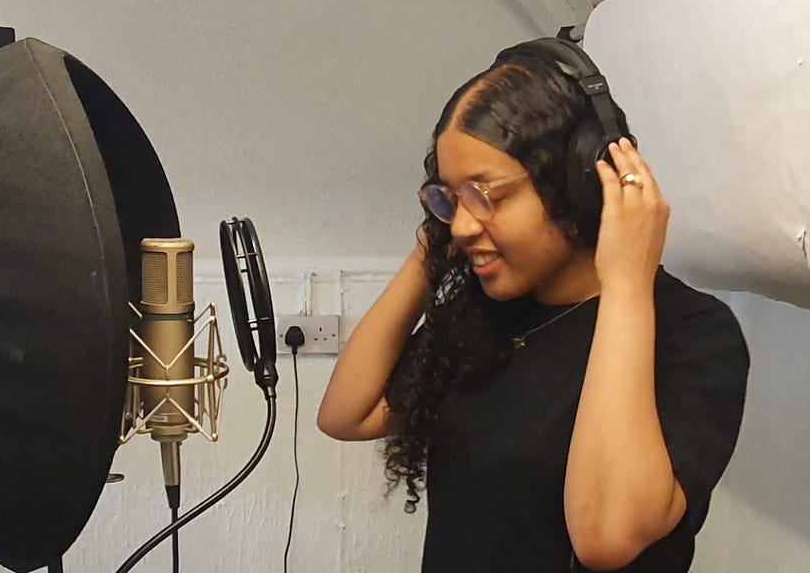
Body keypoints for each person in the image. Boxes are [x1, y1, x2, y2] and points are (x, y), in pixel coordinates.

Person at [317, 38, 749, 572]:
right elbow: (346, 414)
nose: (464, 223)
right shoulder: (484, 317)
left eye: (486, 196)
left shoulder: (696, 333)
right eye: (449, 197)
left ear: (578, 185)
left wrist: (626, 286)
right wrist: (433, 247)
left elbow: (606, 537)